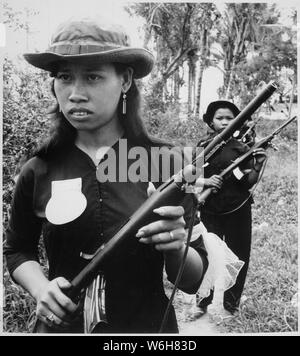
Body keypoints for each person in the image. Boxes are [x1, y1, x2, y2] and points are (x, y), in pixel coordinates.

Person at [4, 18, 208, 334]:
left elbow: (194, 280)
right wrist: (41, 288)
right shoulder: (39, 168)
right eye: (64, 77)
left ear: (125, 80)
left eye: (93, 77)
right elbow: (18, 250)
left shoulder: (167, 162)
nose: (75, 94)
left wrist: (177, 246)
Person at [196, 100, 267, 315]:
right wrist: (206, 183)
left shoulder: (243, 149)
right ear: (210, 121)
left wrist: (257, 165)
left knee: (239, 255)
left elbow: (247, 182)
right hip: (210, 209)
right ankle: (202, 302)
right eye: (220, 118)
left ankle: (231, 305)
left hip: (238, 209)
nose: (225, 122)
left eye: (230, 118)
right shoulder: (202, 147)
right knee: (206, 255)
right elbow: (192, 177)